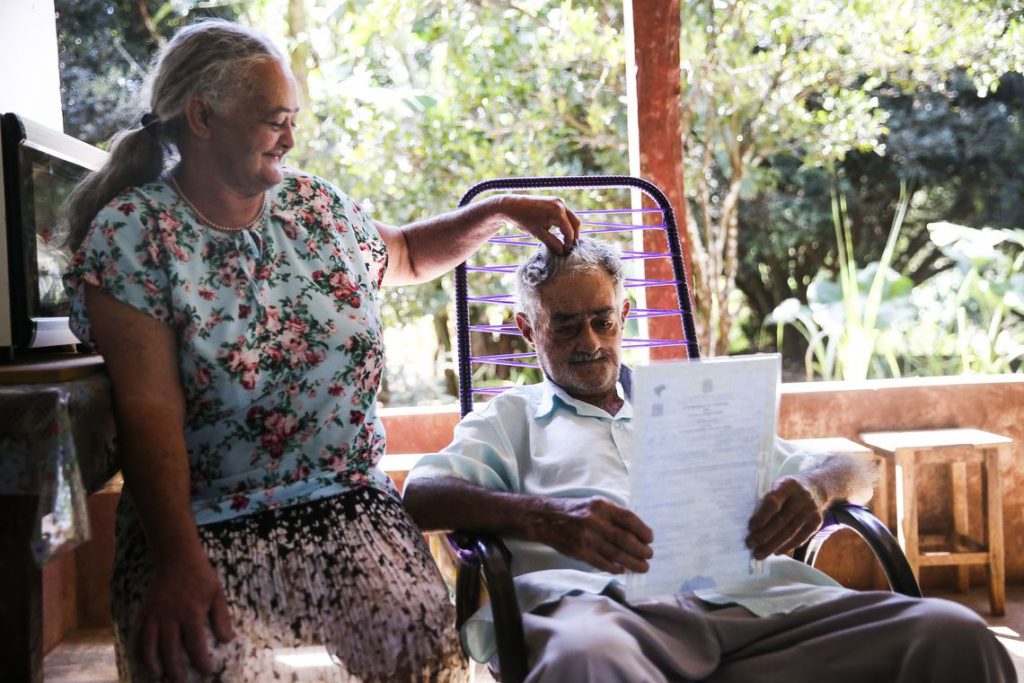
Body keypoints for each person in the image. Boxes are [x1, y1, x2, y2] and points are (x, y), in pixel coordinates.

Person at [62, 18, 580, 683]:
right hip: (205, 523)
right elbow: (147, 409)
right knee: (217, 664)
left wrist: (499, 212)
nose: (291, 135)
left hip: (348, 506)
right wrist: (177, 560)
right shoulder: (135, 235)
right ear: (202, 116)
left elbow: (409, 253)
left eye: (293, 118)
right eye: (275, 119)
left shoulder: (316, 208)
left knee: (420, 650)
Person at [402, 238, 1015, 682]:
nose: (589, 342)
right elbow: (422, 497)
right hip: (609, 616)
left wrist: (816, 487)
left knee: (952, 634)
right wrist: (547, 518)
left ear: (623, 318)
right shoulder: (510, 420)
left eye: (602, 320)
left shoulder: (695, 403)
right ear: (527, 328)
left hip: (760, 611)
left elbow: (859, 471)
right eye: (564, 327)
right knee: (585, 660)